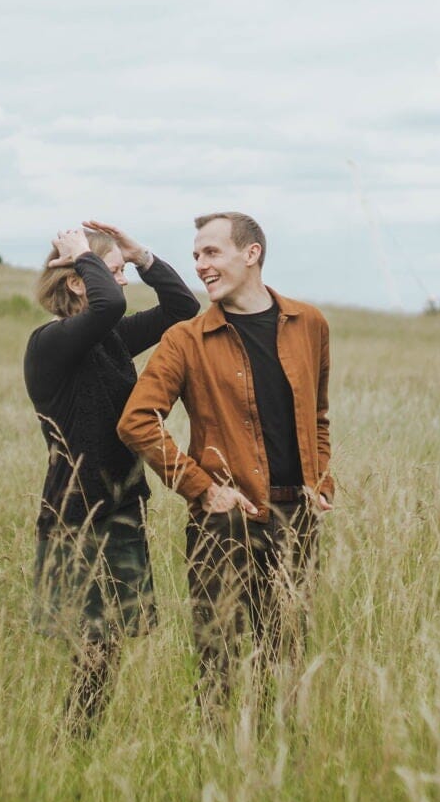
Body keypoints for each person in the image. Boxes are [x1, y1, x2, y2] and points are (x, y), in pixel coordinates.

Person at [117, 212, 333, 714]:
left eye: (211, 253)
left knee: (287, 661)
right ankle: (217, 767)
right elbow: (137, 422)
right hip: (224, 523)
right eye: (196, 256)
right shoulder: (185, 340)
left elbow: (317, 414)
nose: (201, 266)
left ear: (250, 253)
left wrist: (321, 479)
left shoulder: (310, 325)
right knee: (220, 664)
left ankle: (282, 766)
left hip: (297, 521)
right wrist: (201, 488)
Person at [23, 221, 199, 732]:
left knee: (109, 644)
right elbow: (110, 305)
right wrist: (84, 254)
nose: (120, 282)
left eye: (119, 273)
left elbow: (182, 312)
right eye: (113, 273)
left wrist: (142, 256)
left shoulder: (110, 340)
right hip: (77, 513)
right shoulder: (50, 343)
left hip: (121, 507)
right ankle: (70, 741)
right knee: (91, 644)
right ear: (78, 280)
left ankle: (81, 737)